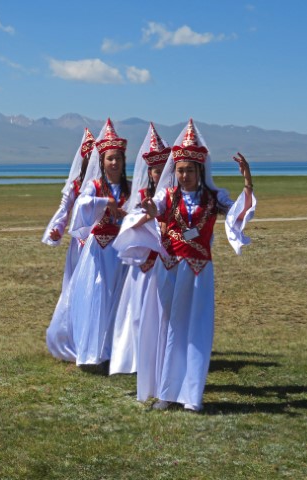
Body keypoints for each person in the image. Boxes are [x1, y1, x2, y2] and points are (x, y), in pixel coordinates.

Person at [117, 119, 256, 411]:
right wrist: (151, 213)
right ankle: (166, 393)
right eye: (179, 170)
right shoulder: (167, 197)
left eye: (189, 170)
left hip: (199, 271)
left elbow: (239, 216)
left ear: (199, 170)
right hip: (169, 269)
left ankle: (191, 395)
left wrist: (247, 181)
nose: (184, 175)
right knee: (169, 327)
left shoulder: (214, 198)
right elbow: (150, 213)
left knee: (197, 328)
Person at [66, 118, 130, 368]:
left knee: (119, 298)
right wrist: (105, 203)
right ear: (101, 161)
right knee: (97, 295)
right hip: (98, 250)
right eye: (109, 158)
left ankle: (114, 352)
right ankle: (92, 352)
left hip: (121, 249)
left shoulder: (130, 188)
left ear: (124, 161)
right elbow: (81, 206)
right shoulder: (94, 186)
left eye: (118, 158)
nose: (114, 163)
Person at [109, 122, 170, 377]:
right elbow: (131, 220)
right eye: (154, 170)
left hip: (167, 257)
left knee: (163, 310)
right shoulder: (142, 193)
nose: (157, 174)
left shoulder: (174, 194)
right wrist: (143, 219)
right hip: (145, 258)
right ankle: (136, 357)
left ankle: (161, 355)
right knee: (138, 309)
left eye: (162, 169)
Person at [43, 128, 95, 362]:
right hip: (79, 247)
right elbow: (64, 213)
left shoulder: (107, 185)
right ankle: (71, 340)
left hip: (102, 247)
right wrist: (56, 231)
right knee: (75, 292)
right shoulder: (76, 186)